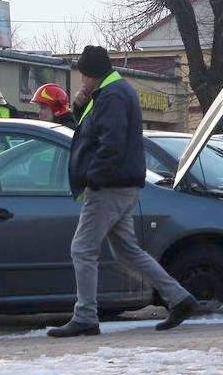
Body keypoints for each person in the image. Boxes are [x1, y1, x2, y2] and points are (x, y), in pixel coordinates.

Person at [48, 46, 198, 338]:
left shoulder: (113, 95)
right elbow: (90, 130)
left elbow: (111, 143)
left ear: (93, 73)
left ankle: (86, 316)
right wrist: (80, 107)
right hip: (121, 184)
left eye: (84, 76)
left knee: (82, 248)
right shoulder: (110, 92)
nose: (82, 82)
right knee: (127, 250)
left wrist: (94, 177)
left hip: (109, 187)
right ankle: (180, 299)